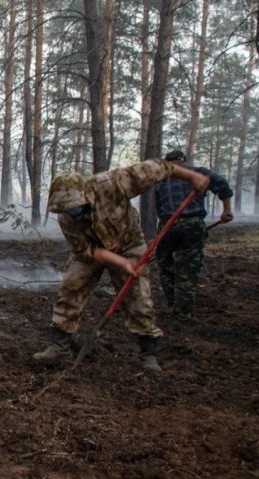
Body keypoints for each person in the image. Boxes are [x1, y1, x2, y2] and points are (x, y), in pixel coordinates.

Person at [33, 158, 210, 372]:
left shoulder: (113, 183)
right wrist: (120, 262)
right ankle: (59, 345)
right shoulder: (66, 217)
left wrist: (192, 176)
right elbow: (86, 250)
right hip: (94, 250)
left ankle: (148, 352)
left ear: (86, 194)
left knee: (138, 296)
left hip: (129, 244)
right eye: (69, 210)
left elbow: (159, 168)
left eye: (76, 208)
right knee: (71, 286)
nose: (74, 213)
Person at [155, 150, 234, 322]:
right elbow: (222, 185)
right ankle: (182, 313)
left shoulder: (162, 179)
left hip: (167, 226)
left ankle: (175, 304)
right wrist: (226, 210)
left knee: (166, 265)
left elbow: (158, 207)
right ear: (183, 161)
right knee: (187, 268)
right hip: (191, 224)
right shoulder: (198, 173)